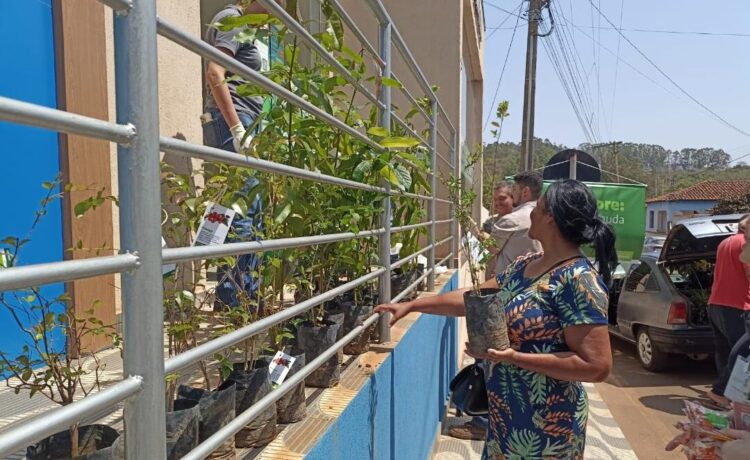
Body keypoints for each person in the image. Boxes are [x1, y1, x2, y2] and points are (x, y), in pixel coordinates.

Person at [376, 179, 616, 459]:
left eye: (537, 208)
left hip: (548, 428)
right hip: (505, 417)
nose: (530, 214)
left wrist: (512, 357)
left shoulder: (579, 280)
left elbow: (596, 366)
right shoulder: (526, 265)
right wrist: (415, 304)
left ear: (551, 217)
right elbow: (475, 296)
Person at [202, 1, 281, 309]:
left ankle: (232, 293)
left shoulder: (242, 23)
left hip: (242, 121)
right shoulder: (233, 19)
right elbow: (215, 72)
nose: (273, 15)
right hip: (235, 120)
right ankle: (238, 298)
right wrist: (236, 128)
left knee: (244, 207)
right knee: (243, 210)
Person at [449, 183, 515, 441]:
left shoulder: (509, 223)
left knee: (487, 362)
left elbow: (490, 248)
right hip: (492, 292)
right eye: (495, 200)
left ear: (514, 199)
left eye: (502, 199)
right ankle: (484, 419)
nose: (498, 204)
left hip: (497, 296)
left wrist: (478, 233)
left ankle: (481, 422)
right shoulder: (495, 221)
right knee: (486, 362)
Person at [708, 214, 750, 407]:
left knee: (725, 351)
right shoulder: (744, 244)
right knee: (742, 353)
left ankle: (722, 394)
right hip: (738, 304)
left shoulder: (725, 242)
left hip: (716, 303)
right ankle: (723, 393)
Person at [489, 171, 543, 276]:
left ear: (525, 192)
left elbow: (490, 249)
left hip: (512, 286)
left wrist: (477, 233)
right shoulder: (546, 217)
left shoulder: (512, 220)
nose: (513, 194)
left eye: (514, 189)